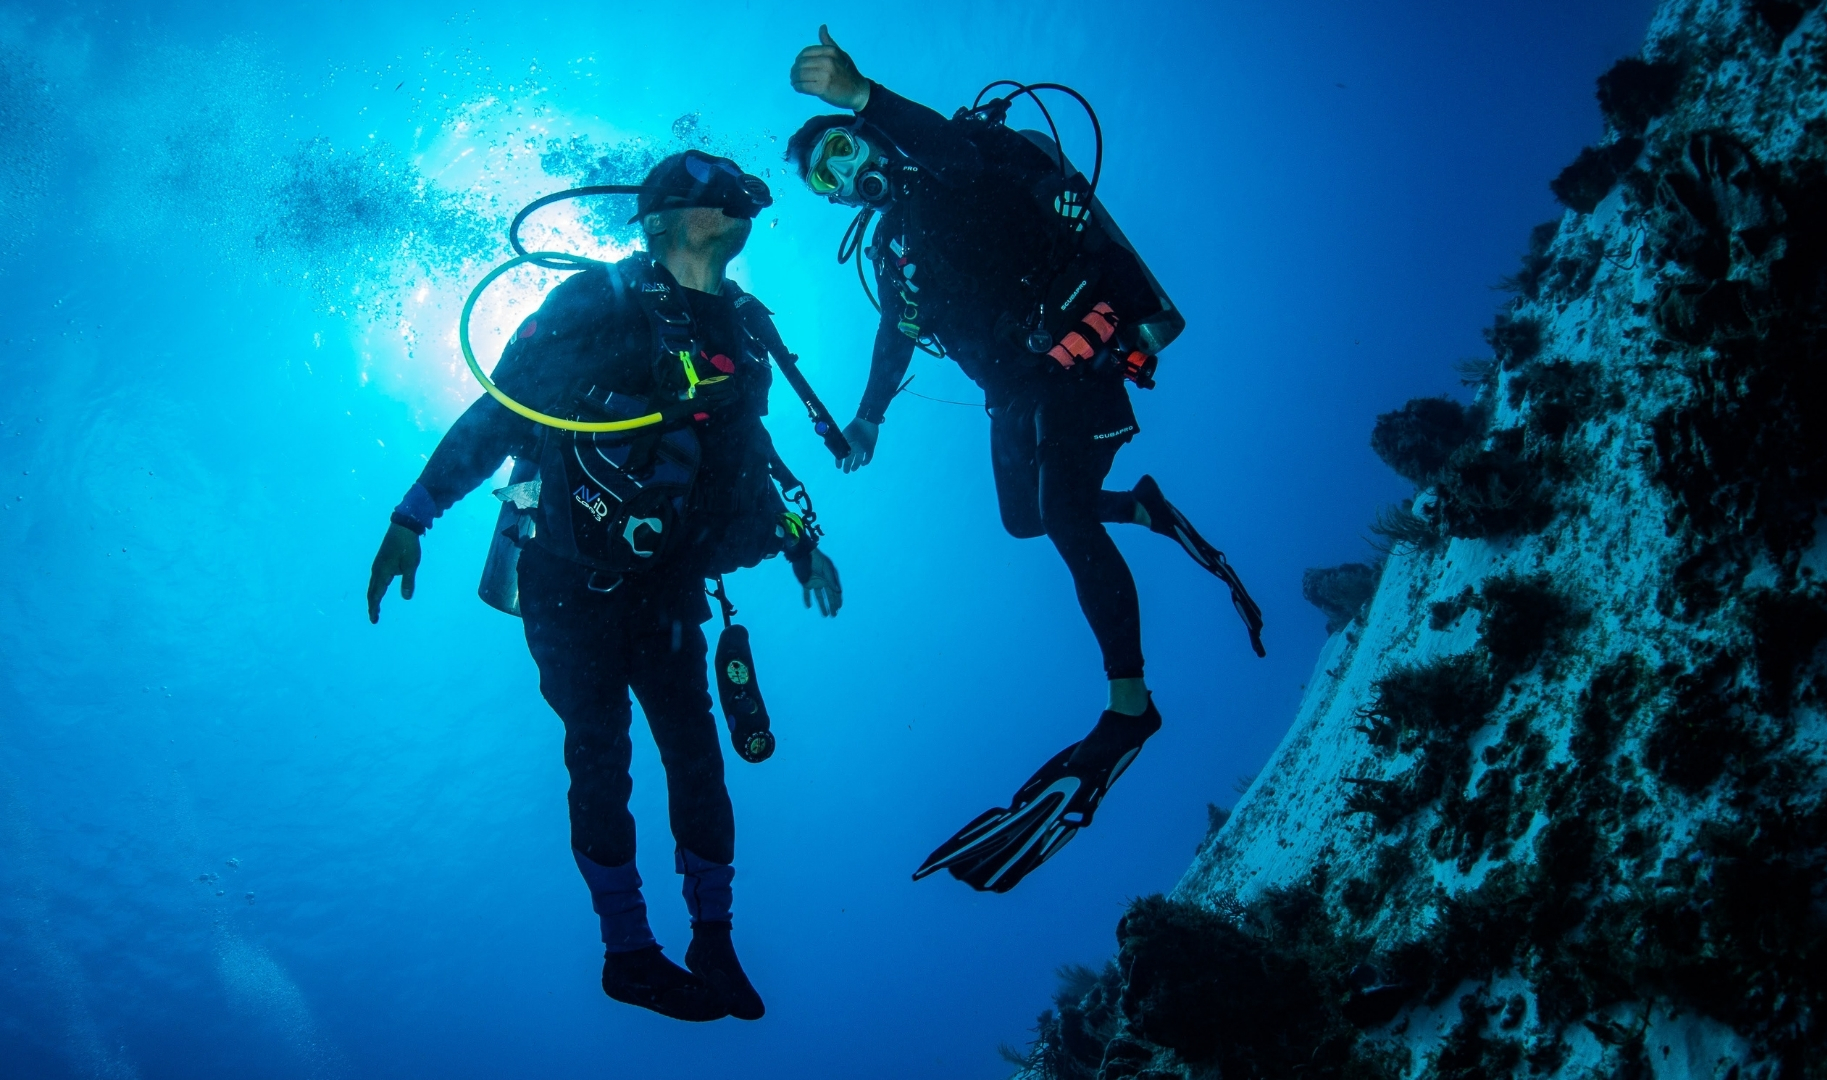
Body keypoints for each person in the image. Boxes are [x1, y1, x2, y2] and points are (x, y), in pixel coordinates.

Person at [366, 149, 843, 1022]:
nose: (734, 195)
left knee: (697, 758)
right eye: (709, 185)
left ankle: (714, 938)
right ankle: (628, 952)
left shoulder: (743, 327)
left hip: (666, 588)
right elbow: (501, 410)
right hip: (565, 580)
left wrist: (799, 539)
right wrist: (412, 515)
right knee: (601, 752)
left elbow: (746, 456)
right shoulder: (597, 301)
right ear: (661, 219)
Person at [787, 28, 1264, 893]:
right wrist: (866, 422)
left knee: (1069, 517)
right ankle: (1147, 507)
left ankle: (1129, 707)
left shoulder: (946, 164)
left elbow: (952, 150)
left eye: (844, 150)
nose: (844, 174)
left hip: (1070, 347)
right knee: (1023, 519)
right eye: (826, 178)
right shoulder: (893, 252)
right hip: (1014, 390)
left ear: (871, 135)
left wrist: (865, 95)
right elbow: (895, 335)